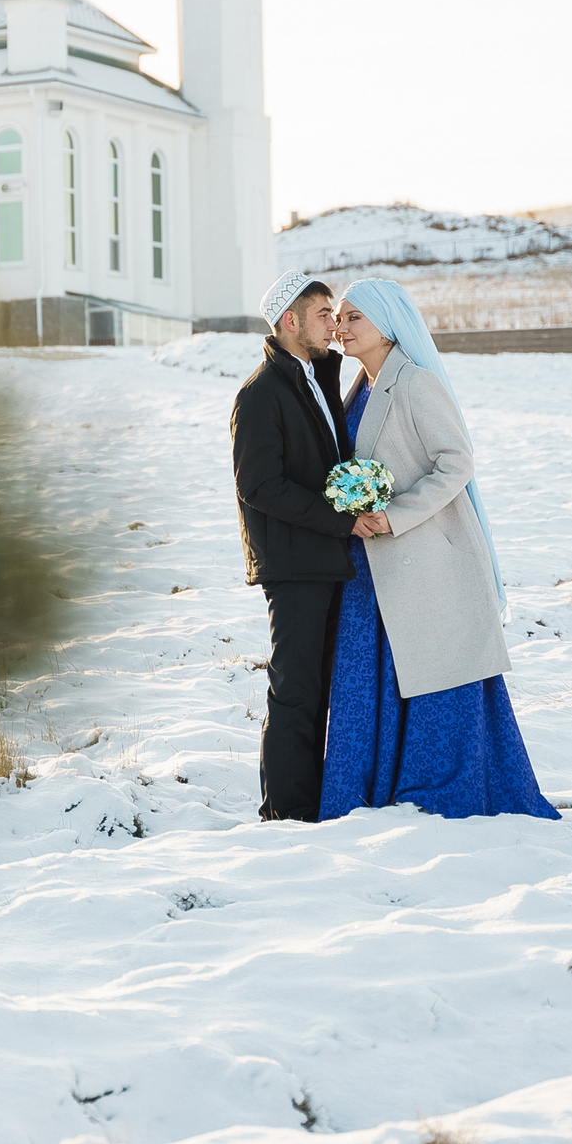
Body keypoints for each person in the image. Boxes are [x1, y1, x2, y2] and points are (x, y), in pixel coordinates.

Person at [318, 277, 558, 822]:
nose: (341, 327)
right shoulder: (360, 384)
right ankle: (362, 790)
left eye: (355, 318)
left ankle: (438, 788)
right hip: (367, 562)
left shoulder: (415, 381)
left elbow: (456, 461)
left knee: (432, 668)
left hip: (421, 558)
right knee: (363, 673)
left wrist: (394, 514)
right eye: (341, 317)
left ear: (388, 323)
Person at [230, 270, 356, 822]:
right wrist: (340, 520)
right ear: (290, 321)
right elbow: (259, 487)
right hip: (293, 563)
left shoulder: (315, 376)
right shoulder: (260, 394)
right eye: (325, 315)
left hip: (325, 558)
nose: (335, 326)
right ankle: (285, 811)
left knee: (320, 690)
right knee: (296, 694)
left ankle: (314, 801)